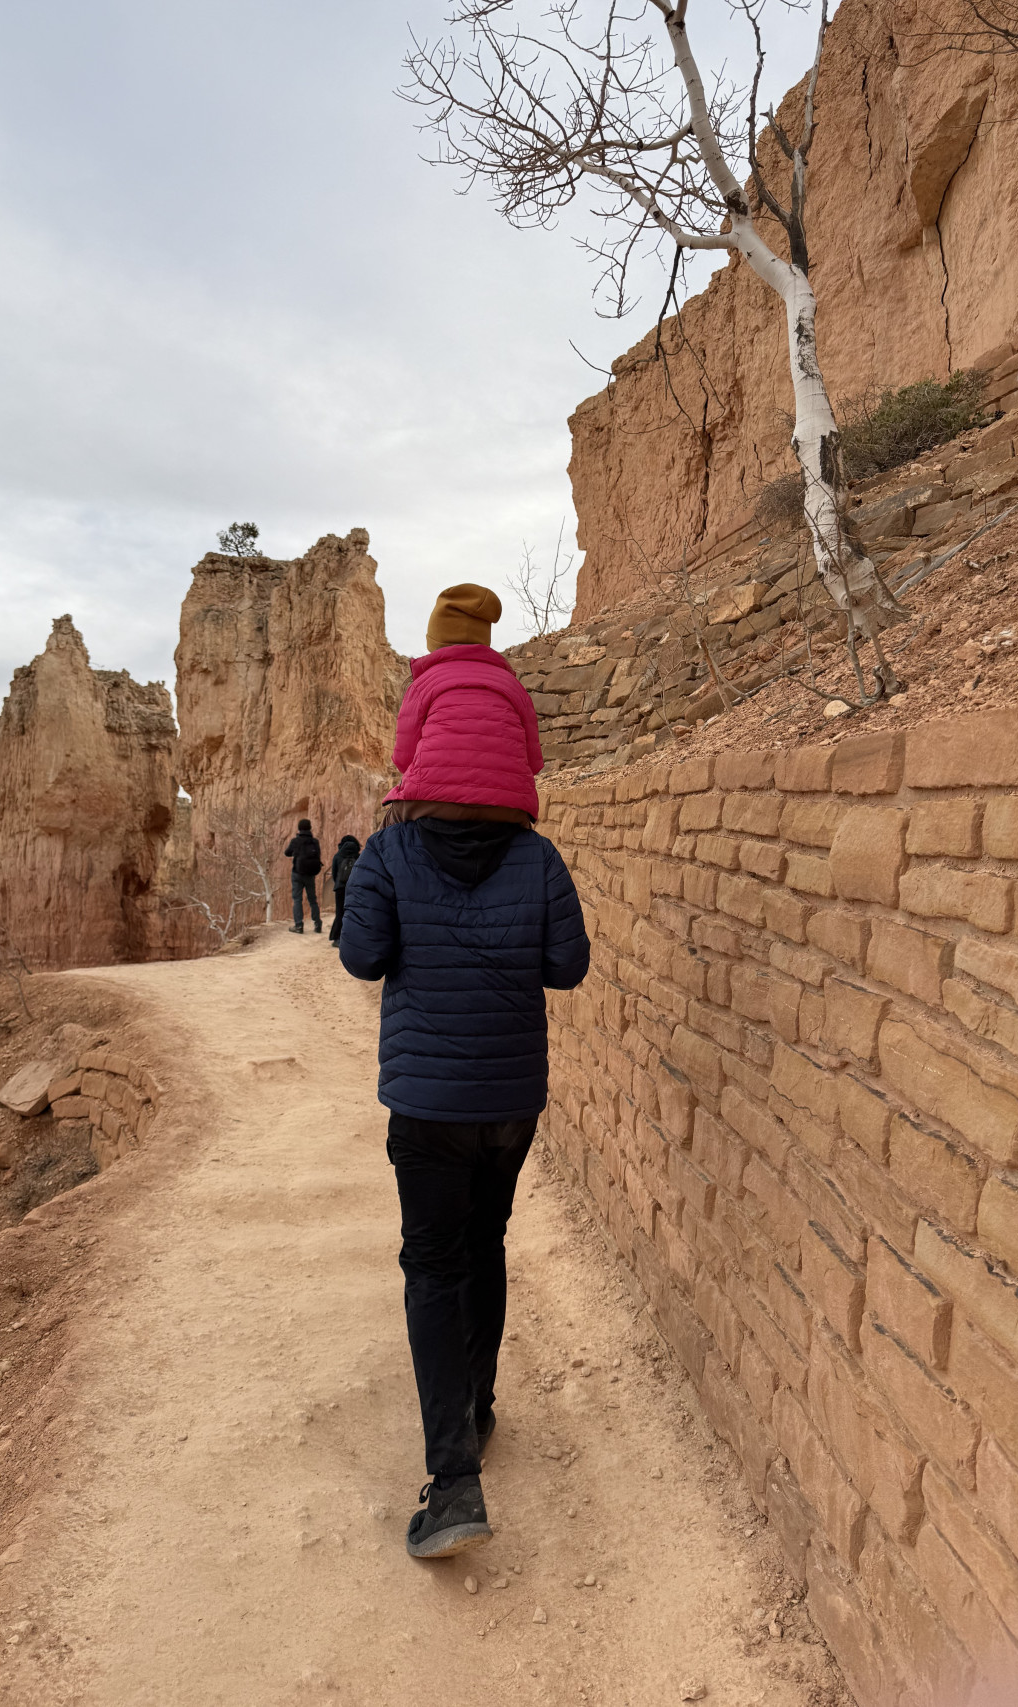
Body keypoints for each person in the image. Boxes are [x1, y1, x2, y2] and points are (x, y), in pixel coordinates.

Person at [339, 583, 589, 1564]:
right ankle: (475, 1408)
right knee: (482, 1246)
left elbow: (361, 960)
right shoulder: (536, 859)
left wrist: (379, 884)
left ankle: (452, 1481)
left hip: (427, 1104)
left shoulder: (393, 852)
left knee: (433, 1265)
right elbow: (565, 969)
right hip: (508, 1100)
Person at [380, 582, 543, 829]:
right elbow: (534, 763)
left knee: (382, 846)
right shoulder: (514, 687)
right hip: (509, 809)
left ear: (436, 640)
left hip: (431, 802)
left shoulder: (423, 684)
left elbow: (403, 759)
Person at [283, 818, 322, 934]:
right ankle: (317, 924)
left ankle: (299, 925)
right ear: (310, 828)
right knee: (312, 900)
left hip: (297, 873)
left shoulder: (296, 841)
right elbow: (318, 855)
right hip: (310, 874)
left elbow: (287, 853)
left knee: (297, 899)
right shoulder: (315, 842)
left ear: (299, 828)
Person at [328, 833, 361, 945]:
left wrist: (338, 882)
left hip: (340, 888)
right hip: (355, 888)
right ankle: (353, 937)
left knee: (339, 913)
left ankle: (337, 938)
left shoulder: (338, 856)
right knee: (353, 912)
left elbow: (334, 873)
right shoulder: (359, 856)